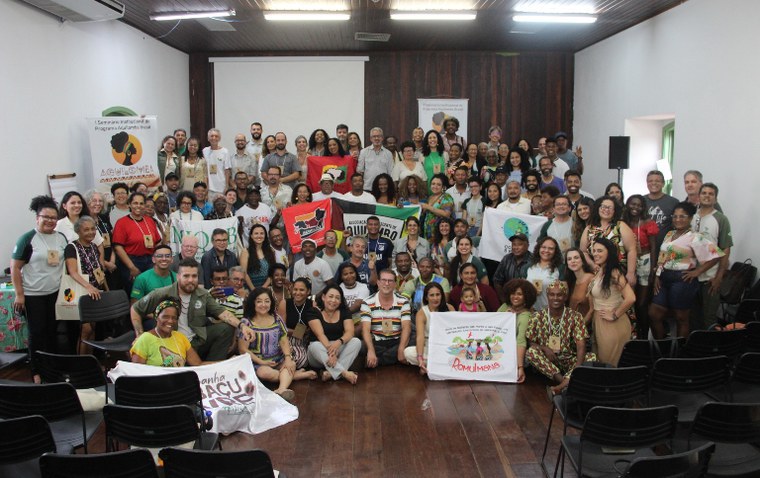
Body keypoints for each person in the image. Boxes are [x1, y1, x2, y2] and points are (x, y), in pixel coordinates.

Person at [131, 258, 255, 361]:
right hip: (173, 344)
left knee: (225, 328)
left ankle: (214, 366)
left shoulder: (203, 294)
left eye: (194, 276)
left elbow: (223, 313)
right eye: (186, 276)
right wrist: (139, 334)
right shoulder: (162, 293)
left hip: (197, 341)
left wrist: (242, 326)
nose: (190, 280)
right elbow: (135, 309)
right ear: (178, 276)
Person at [649, 202, 723, 339]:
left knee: (681, 317)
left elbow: (716, 256)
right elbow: (662, 257)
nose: (678, 219)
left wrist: (697, 272)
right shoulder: (669, 234)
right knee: (654, 313)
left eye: (682, 216)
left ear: (690, 218)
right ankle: (662, 348)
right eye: (675, 216)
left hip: (682, 279)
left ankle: (680, 352)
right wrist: (657, 277)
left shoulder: (695, 237)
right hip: (664, 278)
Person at [12, 196, 67, 375]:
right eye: (46, 217)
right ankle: (37, 371)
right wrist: (20, 295)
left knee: (52, 332)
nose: (50, 221)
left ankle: (52, 368)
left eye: (54, 217)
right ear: (37, 218)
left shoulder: (61, 238)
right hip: (33, 296)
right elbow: (15, 267)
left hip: (55, 294)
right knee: (37, 333)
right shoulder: (27, 239)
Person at [239, 288, 316, 403]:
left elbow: (283, 340)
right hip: (258, 362)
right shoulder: (247, 323)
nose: (263, 305)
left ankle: (281, 389)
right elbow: (243, 350)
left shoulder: (276, 319)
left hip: (277, 359)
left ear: (271, 303)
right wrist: (262, 362)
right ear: (253, 303)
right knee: (264, 373)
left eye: (267, 301)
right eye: (259, 301)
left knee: (291, 364)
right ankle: (295, 376)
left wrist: (287, 358)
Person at [526, 281, 596, 395]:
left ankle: (561, 386)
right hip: (549, 361)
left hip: (569, 360)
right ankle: (564, 382)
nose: (555, 298)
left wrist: (577, 368)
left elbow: (581, 344)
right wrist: (544, 348)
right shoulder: (537, 317)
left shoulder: (575, 316)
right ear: (547, 296)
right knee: (531, 352)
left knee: (591, 357)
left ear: (565, 297)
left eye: (559, 295)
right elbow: (531, 342)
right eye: (552, 294)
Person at [586, 238, 636, 366]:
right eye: (594, 251)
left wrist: (614, 315)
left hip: (612, 325)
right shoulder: (600, 271)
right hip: (599, 322)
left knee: (609, 366)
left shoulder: (614, 272)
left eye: (600, 251)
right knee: (601, 363)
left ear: (609, 252)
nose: (596, 254)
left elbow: (631, 298)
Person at [692, 183, 732, 329]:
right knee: (692, 317)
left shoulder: (721, 219)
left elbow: (725, 249)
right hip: (690, 275)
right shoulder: (690, 216)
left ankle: (711, 350)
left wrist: (719, 277)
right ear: (699, 196)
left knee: (709, 319)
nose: (707, 196)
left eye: (711, 194)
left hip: (710, 278)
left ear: (715, 198)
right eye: (704, 193)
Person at [306, 285, 361, 384]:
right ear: (323, 297)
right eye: (330, 296)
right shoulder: (313, 311)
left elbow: (350, 332)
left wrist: (339, 342)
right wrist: (330, 351)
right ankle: (344, 373)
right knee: (314, 345)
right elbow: (320, 335)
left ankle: (330, 374)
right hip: (320, 351)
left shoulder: (344, 312)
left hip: (337, 348)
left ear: (340, 301)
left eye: (337, 298)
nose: (333, 300)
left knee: (356, 342)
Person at [622, 194, 659, 337]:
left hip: (645, 261)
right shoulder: (623, 222)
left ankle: (643, 336)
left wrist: (652, 270)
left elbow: (654, 247)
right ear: (627, 205)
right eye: (632, 204)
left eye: (639, 205)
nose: (635, 207)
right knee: (629, 301)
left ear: (643, 207)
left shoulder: (648, 223)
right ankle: (631, 334)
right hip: (627, 262)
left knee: (642, 304)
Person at [580, 196, 638, 286]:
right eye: (603, 206)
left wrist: (631, 273)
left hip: (619, 274)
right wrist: (592, 265)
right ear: (598, 208)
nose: (606, 210)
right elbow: (583, 252)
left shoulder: (621, 226)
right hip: (596, 273)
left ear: (614, 211)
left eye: (610, 208)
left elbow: (631, 250)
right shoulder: (589, 229)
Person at [130, 298, 205, 367]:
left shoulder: (180, 337)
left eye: (174, 318)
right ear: (157, 317)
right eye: (165, 317)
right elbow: (137, 372)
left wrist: (216, 366)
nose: (170, 321)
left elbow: (198, 364)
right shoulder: (144, 339)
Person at [112, 192, 163, 292]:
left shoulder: (150, 221)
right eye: (135, 203)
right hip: (132, 261)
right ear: (129, 204)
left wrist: (157, 261)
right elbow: (118, 248)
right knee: (136, 292)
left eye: (141, 203)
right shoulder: (121, 222)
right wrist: (131, 267)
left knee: (151, 291)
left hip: (150, 261)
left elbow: (157, 242)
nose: (138, 206)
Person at [361, 269, 412, 367]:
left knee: (412, 340)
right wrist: (371, 350)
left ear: (395, 284)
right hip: (377, 343)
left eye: (390, 281)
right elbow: (365, 330)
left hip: (397, 341)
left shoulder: (404, 301)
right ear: (378, 282)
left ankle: (379, 361)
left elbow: (406, 327)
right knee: (360, 346)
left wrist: (401, 348)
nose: (387, 284)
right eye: (384, 280)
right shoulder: (367, 302)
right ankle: (393, 358)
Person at [403, 282, 454, 373]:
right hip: (430, 347)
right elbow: (420, 337)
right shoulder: (422, 313)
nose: (435, 298)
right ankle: (440, 365)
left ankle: (434, 366)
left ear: (442, 295)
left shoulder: (449, 308)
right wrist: (420, 358)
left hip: (448, 347)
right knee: (408, 352)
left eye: (438, 294)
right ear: (426, 297)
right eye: (432, 295)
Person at [497, 279, 537, 383]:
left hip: (515, 354)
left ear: (526, 297)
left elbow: (521, 341)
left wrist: (520, 368)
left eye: (519, 294)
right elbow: (493, 327)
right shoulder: (505, 306)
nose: (515, 297)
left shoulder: (526, 316)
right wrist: (504, 317)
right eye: (513, 293)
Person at [279, 277, 315, 370]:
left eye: (301, 290)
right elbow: (281, 328)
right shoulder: (285, 303)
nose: (297, 292)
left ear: (308, 291)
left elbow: (315, 328)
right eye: (295, 289)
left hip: (305, 341)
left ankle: (289, 372)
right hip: (287, 338)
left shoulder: (312, 304)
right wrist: (299, 332)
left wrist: (304, 333)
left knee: (302, 360)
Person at [493, 233, 533, 304]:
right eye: (514, 244)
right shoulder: (506, 259)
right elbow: (497, 281)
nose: (516, 247)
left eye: (520, 244)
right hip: (508, 301)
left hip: (528, 302)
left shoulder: (533, 260)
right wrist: (504, 300)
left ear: (527, 246)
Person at [644, 170, 680, 249]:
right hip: (645, 249)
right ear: (647, 183)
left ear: (663, 183)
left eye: (657, 181)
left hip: (666, 248)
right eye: (650, 181)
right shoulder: (641, 201)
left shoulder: (673, 202)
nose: (654, 183)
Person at [526, 236, 564, 311]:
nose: (546, 250)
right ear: (538, 248)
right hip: (530, 311)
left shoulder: (560, 268)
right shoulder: (528, 267)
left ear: (555, 251)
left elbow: (564, 294)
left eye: (551, 248)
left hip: (551, 312)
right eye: (543, 247)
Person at [240, 224, 275, 290]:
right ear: (251, 236)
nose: (259, 236)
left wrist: (263, 288)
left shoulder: (271, 251)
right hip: (250, 289)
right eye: (256, 233)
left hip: (266, 288)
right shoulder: (245, 251)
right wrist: (253, 289)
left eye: (262, 233)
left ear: (265, 236)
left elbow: (273, 272)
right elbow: (244, 273)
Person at [337, 262, 371, 329]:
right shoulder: (338, 289)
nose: (349, 276)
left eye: (351, 273)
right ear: (341, 276)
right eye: (345, 274)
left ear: (356, 273)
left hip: (359, 320)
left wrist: (343, 314)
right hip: (342, 320)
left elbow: (357, 305)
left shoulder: (363, 287)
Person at [421, 174, 454, 241]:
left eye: (438, 184)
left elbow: (446, 214)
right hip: (428, 232)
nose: (435, 186)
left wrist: (429, 207)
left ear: (443, 186)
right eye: (433, 184)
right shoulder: (429, 197)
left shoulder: (446, 197)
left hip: (440, 233)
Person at [202, 128, 232, 198]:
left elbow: (227, 170)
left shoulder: (225, 151)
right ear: (208, 138)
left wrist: (227, 186)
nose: (214, 138)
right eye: (212, 136)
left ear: (219, 138)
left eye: (216, 136)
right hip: (209, 188)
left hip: (221, 187)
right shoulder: (204, 151)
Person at [565, 247, 594, 318]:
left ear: (583, 261)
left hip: (586, 326)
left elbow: (592, 310)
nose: (573, 261)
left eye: (576, 257)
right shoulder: (572, 281)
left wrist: (579, 327)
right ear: (567, 264)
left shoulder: (591, 279)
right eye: (569, 259)